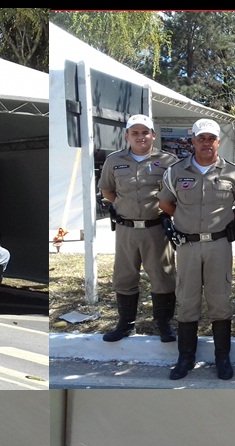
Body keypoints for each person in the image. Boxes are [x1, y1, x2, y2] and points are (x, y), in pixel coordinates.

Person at [158, 118, 235, 380]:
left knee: (220, 300)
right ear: (193, 141)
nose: (206, 143)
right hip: (187, 245)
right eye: (201, 138)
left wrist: (226, 220)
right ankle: (185, 357)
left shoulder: (232, 173)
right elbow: (165, 204)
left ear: (218, 142)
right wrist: (185, 220)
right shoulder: (176, 172)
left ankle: (222, 358)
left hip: (219, 245)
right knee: (187, 300)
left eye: (211, 138)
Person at [97, 113, 179, 343]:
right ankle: (126, 325)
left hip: (156, 229)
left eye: (145, 132)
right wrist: (126, 207)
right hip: (126, 229)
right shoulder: (114, 160)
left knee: (162, 277)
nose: (140, 137)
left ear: (153, 135)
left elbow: (176, 195)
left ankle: (164, 325)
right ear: (127, 136)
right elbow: (108, 191)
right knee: (124, 277)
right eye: (135, 133)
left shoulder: (168, 161)